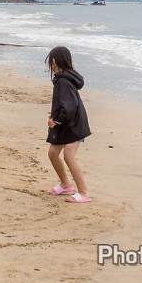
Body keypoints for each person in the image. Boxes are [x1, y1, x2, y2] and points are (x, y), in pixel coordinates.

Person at [44, 46, 92, 203]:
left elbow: (70, 106)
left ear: (56, 61)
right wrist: (56, 115)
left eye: (51, 61)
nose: (50, 64)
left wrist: (56, 120)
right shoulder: (63, 78)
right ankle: (65, 184)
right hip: (66, 122)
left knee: (69, 156)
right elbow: (66, 104)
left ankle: (84, 192)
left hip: (74, 124)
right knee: (53, 153)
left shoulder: (63, 80)